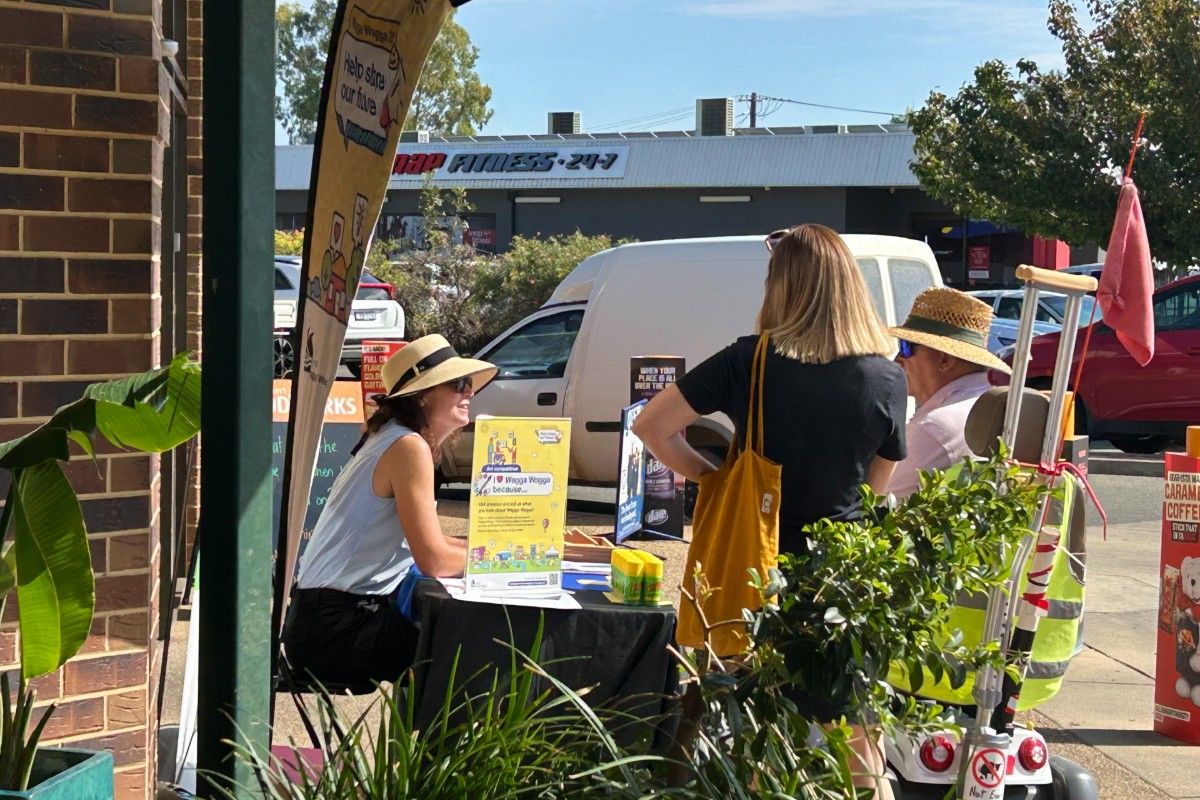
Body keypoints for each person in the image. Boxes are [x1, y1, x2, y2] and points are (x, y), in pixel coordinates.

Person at [632, 223, 909, 799]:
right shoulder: (887, 376)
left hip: (754, 577)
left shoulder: (748, 361)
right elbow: (876, 489)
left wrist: (716, 477)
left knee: (755, 735)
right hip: (841, 581)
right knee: (858, 738)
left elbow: (651, 425)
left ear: (781, 287)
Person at [282, 334, 497, 687]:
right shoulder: (407, 446)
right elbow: (436, 561)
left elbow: (434, 543)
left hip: (324, 621)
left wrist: (496, 547)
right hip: (335, 630)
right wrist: (511, 560)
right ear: (424, 394)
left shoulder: (394, 437)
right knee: (480, 648)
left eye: (469, 384)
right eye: (458, 384)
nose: (469, 392)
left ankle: (428, 741)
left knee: (460, 634)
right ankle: (435, 742)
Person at [886, 288, 1012, 500]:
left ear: (944, 359)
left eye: (906, 347)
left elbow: (879, 501)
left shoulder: (934, 426)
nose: (898, 358)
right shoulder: (983, 401)